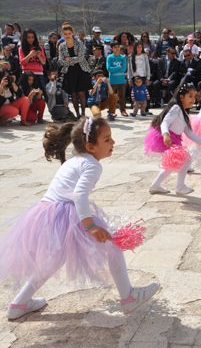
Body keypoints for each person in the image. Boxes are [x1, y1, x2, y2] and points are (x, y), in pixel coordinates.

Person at [0, 117, 160, 320]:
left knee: (52, 261)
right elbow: (79, 195)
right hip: (67, 215)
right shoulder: (92, 165)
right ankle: (129, 297)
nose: (113, 143)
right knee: (113, 244)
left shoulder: (76, 158)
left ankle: (18, 304)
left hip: (47, 214)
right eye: (107, 139)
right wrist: (90, 225)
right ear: (91, 146)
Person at [144, 83, 201, 195]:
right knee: (183, 160)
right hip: (168, 139)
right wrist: (166, 134)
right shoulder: (176, 108)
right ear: (181, 97)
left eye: (194, 96)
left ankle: (156, 185)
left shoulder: (183, 112)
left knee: (174, 163)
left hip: (173, 139)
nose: (193, 99)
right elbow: (165, 122)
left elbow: (189, 133)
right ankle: (179, 187)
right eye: (190, 96)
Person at [58, 24, 92, 118]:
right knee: (73, 94)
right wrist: (73, 59)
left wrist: (69, 59)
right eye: (65, 33)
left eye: (69, 33)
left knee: (81, 92)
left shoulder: (79, 43)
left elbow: (81, 58)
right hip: (69, 72)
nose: (67, 35)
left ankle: (83, 113)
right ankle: (77, 114)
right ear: (63, 34)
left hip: (81, 70)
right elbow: (61, 61)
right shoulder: (61, 46)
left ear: (72, 33)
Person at [18, 29, 47, 94]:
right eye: (28, 37)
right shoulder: (21, 48)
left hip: (39, 73)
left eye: (32, 37)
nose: (31, 39)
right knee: (27, 94)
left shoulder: (39, 47)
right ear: (25, 38)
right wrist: (30, 55)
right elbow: (22, 63)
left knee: (43, 94)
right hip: (27, 74)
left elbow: (44, 62)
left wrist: (39, 56)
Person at [106, 42, 128, 117]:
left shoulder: (123, 57)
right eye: (115, 47)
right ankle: (111, 111)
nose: (117, 48)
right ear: (112, 48)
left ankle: (123, 110)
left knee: (122, 96)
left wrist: (116, 69)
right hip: (112, 80)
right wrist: (119, 67)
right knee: (112, 96)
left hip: (121, 80)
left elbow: (124, 69)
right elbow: (109, 69)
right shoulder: (109, 57)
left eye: (118, 47)